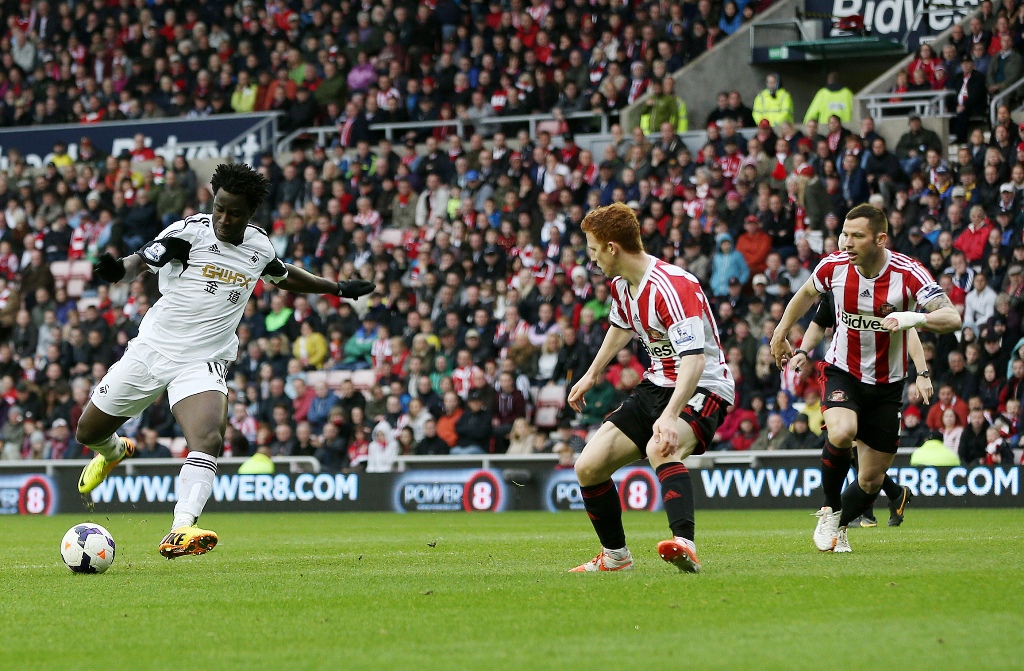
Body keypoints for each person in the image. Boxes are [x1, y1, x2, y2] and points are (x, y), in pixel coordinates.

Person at [75, 163, 374, 558]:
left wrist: (337, 288)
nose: (224, 219)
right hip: (152, 350)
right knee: (87, 432)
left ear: (250, 213)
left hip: (203, 359)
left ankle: (181, 527)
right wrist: (119, 270)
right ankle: (115, 452)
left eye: (235, 213)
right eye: (219, 208)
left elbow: (283, 275)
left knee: (208, 438)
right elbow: (143, 260)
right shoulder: (188, 234)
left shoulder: (259, 247)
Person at [770, 204, 961, 553]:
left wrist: (914, 319)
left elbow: (952, 318)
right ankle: (830, 509)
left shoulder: (908, 272)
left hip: (888, 386)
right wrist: (781, 332)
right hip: (843, 371)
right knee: (842, 431)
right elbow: (807, 294)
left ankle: (839, 527)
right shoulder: (834, 267)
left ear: (880, 239)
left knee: (871, 480)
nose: (847, 242)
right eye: (845, 234)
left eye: (857, 236)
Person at [566, 203, 735, 573]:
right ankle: (616, 557)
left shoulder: (673, 286)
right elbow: (621, 327)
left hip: (702, 385)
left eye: (593, 249)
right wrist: (592, 373)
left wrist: (670, 416)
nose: (591, 258)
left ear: (612, 248)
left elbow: (695, 360)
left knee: (660, 446)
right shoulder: (621, 285)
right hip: (657, 383)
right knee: (588, 467)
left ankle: (685, 545)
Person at [790, 292, 929, 527]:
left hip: (884, 385)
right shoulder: (838, 287)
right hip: (846, 379)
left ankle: (885, 498)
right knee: (843, 436)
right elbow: (819, 321)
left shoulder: (892, 290)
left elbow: (909, 330)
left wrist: (922, 372)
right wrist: (803, 351)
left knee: (868, 469)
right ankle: (848, 510)